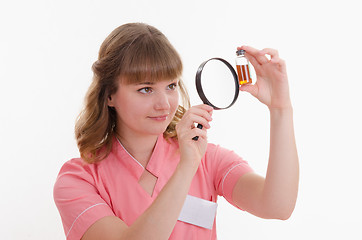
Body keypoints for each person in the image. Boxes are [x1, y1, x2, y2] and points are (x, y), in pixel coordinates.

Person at [53, 22, 299, 240]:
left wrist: (281, 109)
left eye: (170, 86)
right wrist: (186, 168)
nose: (165, 104)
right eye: (146, 89)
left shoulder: (208, 158)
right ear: (109, 95)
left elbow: (277, 206)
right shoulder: (78, 180)